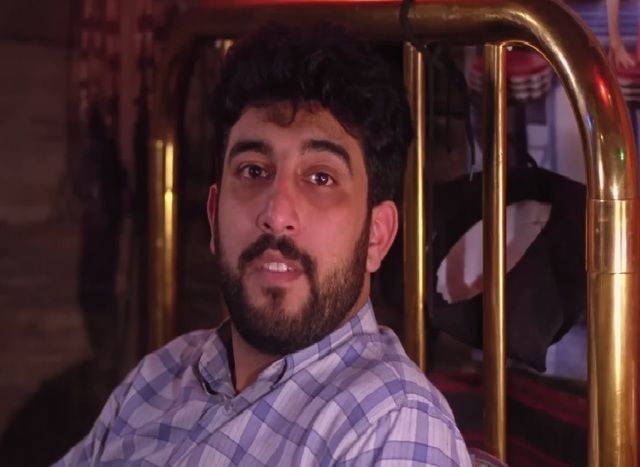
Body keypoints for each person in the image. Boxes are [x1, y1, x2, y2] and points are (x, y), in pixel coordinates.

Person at [56, 22, 471, 466]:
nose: (276, 213)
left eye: (320, 178)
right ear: (214, 216)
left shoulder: (389, 424)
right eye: (253, 171)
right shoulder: (158, 377)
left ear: (377, 235)